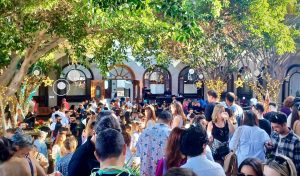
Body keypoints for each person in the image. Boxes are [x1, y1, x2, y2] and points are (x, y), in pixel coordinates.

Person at [136, 111, 173, 176]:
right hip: (161, 171)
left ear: (157, 118)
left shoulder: (145, 131)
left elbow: (138, 151)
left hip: (145, 171)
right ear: (170, 121)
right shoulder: (170, 133)